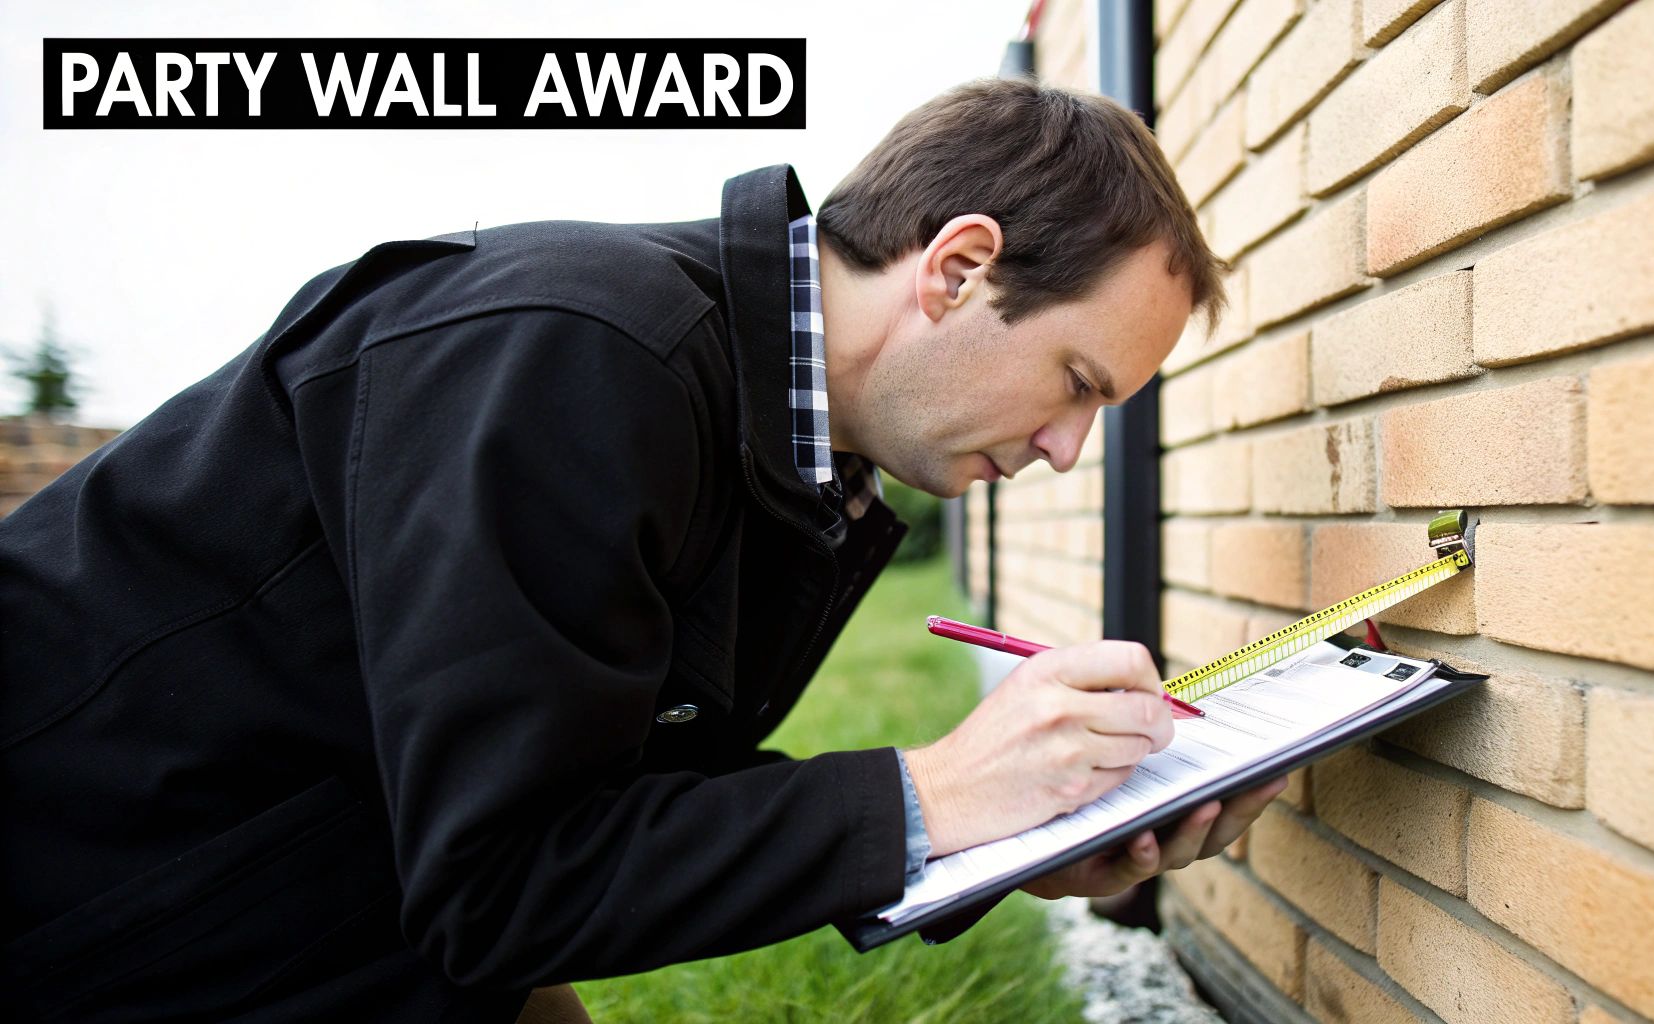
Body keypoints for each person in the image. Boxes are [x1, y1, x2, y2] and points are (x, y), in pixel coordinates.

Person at [0, 77, 1282, 1022]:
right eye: (1071, 380)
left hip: (328, 901)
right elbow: (503, 879)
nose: (1067, 448)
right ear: (954, 267)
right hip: (98, 913)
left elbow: (609, 797)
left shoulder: (790, 452)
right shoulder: (580, 355)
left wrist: (996, 834)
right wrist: (934, 795)